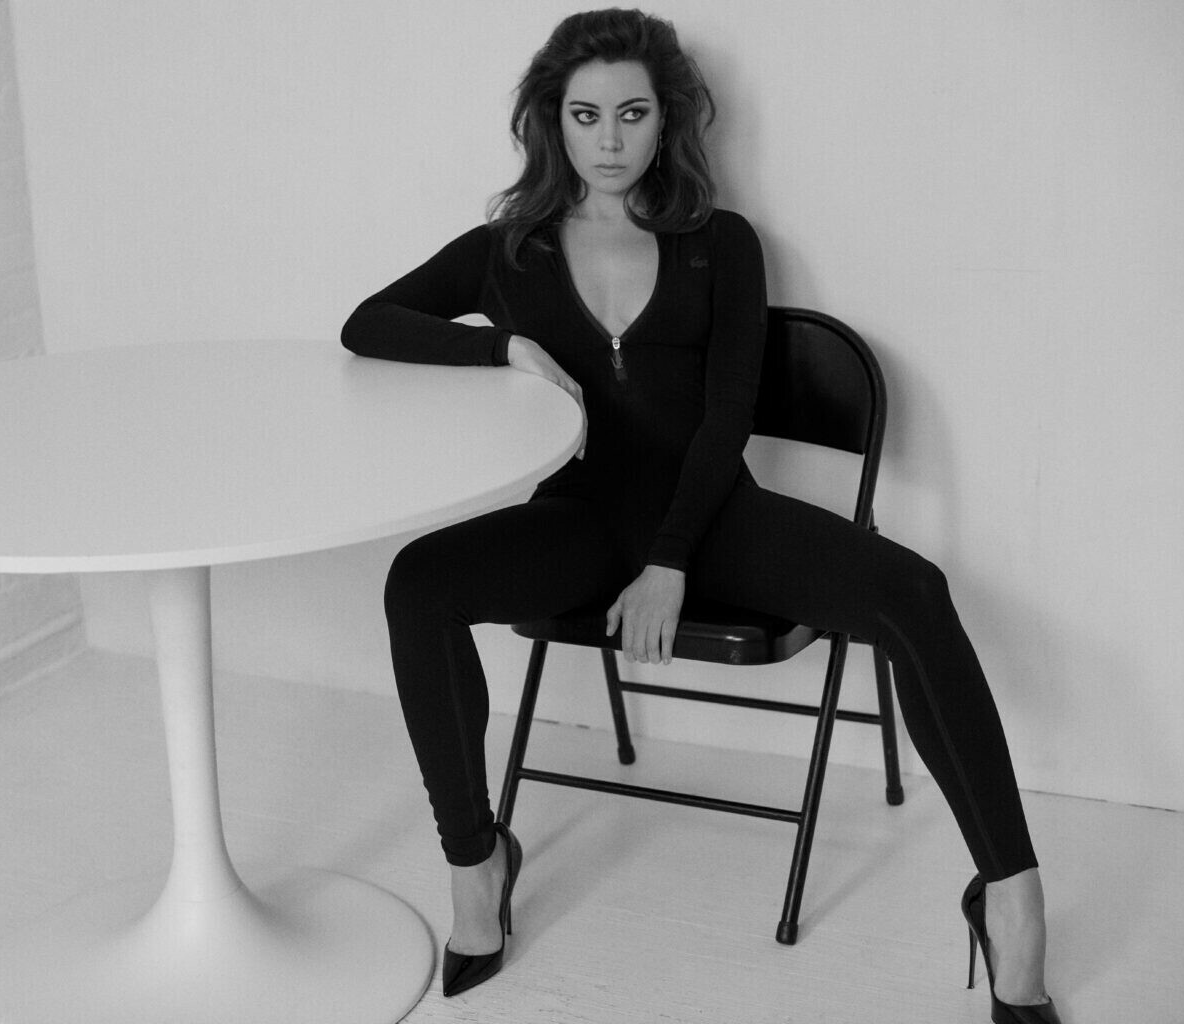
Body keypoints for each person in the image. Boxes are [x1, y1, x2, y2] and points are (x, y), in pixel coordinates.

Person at [340, 9, 1063, 1020]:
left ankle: (1011, 895)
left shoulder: (719, 243)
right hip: (580, 523)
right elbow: (367, 323)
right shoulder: (509, 251)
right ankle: (475, 860)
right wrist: (500, 348)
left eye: (631, 113)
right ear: (551, 121)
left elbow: (726, 420)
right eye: (585, 115)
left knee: (914, 591)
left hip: (716, 521)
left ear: (667, 118)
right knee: (417, 582)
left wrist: (671, 559)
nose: (608, 139)